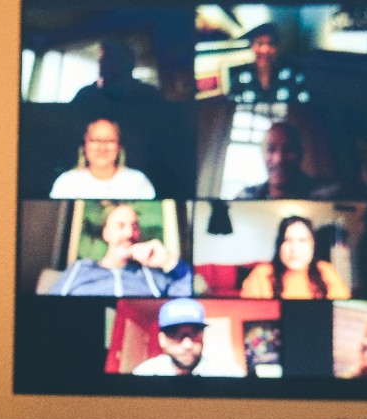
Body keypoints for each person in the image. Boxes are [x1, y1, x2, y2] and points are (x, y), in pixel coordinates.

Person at [48, 203, 191, 297]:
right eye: (120, 226)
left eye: (134, 226)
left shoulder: (152, 275)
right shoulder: (79, 269)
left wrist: (168, 261)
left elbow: (186, 297)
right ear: (106, 233)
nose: (129, 234)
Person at [241, 215, 350, 300]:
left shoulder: (326, 270)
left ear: (313, 245)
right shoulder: (262, 274)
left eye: (302, 240)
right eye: (287, 240)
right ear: (279, 245)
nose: (294, 248)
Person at [131, 298, 245, 377]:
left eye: (195, 333)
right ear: (162, 339)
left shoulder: (228, 372)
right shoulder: (145, 373)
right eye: (175, 334)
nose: (188, 345)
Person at [49, 118, 156, 199]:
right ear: (84, 146)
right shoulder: (66, 183)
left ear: (119, 147)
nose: (102, 147)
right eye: (95, 140)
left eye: (110, 140)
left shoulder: (138, 182)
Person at [234, 121, 333, 200]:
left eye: (288, 149)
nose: (279, 160)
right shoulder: (246, 197)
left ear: (300, 153)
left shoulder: (327, 195)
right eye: (271, 149)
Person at [228, 24, 310, 104]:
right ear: (251, 46)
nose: (265, 50)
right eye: (259, 43)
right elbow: (232, 110)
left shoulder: (293, 75)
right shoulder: (239, 79)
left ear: (277, 48)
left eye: (271, 44)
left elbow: (304, 109)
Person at [71, 40, 164, 106]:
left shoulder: (149, 97)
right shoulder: (86, 96)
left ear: (126, 63)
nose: (101, 63)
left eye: (109, 58)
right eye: (101, 59)